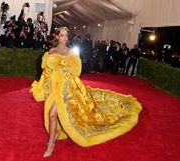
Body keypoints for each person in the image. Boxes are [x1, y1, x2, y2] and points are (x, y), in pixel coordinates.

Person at [30, 27, 142, 158]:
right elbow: (46, 73)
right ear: (57, 37)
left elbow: (76, 72)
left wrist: (65, 73)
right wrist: (41, 87)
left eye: (66, 36)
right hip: (54, 89)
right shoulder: (51, 51)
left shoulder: (71, 52)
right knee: (52, 115)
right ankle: (54, 135)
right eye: (62, 35)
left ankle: (50, 143)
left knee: (52, 113)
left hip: (67, 89)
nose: (64, 38)